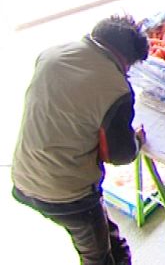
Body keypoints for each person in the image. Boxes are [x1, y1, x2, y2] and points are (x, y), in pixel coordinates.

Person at [11, 15, 149, 265]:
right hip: (67, 194)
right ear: (125, 60)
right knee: (97, 256)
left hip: (24, 175)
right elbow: (119, 154)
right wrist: (137, 140)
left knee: (107, 237)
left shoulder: (51, 54)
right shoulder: (116, 89)